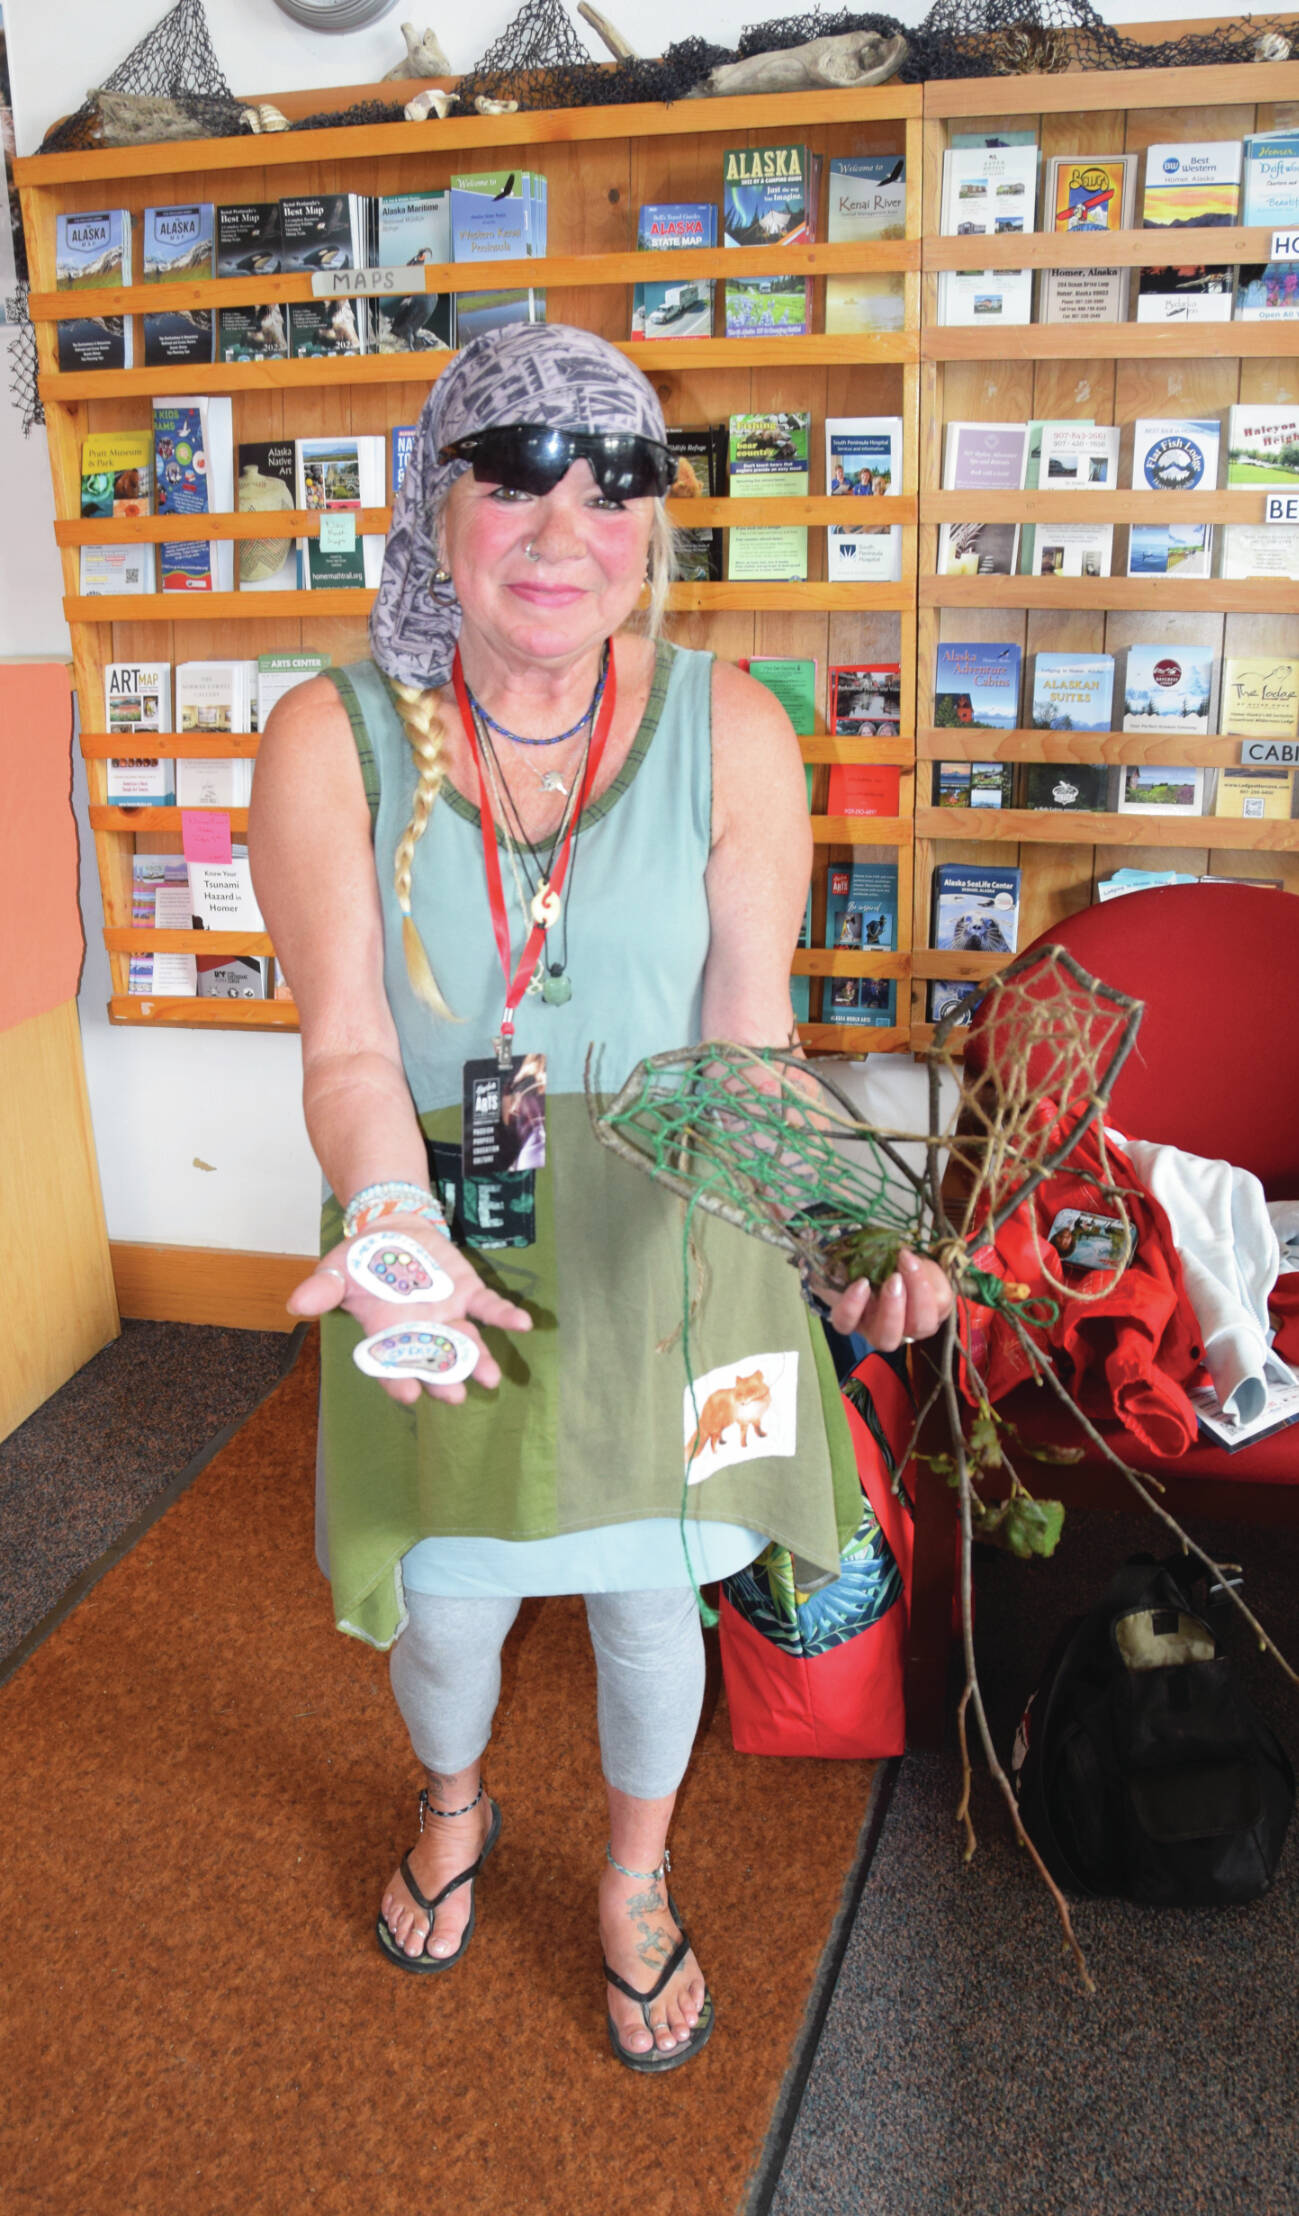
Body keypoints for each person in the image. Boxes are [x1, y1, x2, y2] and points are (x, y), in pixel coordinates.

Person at [249, 324, 950, 2075]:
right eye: (517, 480)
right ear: (437, 505)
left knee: (654, 1602)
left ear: (655, 523)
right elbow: (347, 1049)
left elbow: (752, 1043)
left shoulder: (732, 726)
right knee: (455, 1606)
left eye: (614, 484)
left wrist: (846, 1225)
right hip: (441, 1247)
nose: (567, 531)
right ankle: (457, 1798)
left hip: (677, 1249)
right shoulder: (326, 740)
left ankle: (634, 1879)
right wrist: (387, 1222)